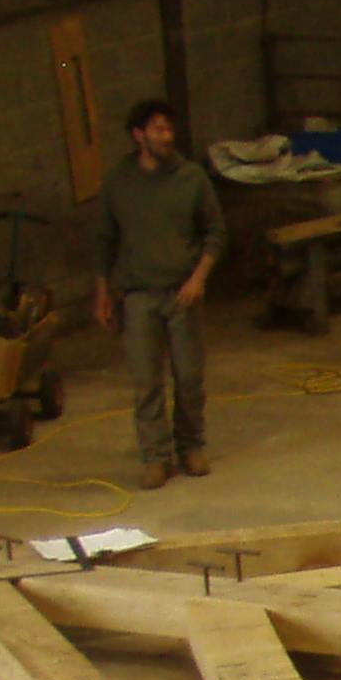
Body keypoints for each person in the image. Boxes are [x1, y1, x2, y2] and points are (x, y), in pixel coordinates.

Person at [92, 98, 224, 490]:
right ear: (139, 136)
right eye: (159, 130)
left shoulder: (192, 178)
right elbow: (104, 240)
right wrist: (102, 293)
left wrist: (199, 278)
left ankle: (191, 446)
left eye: (169, 129)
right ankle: (155, 457)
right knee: (146, 381)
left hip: (182, 293)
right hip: (138, 297)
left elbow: (216, 232)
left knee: (188, 376)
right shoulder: (119, 183)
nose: (168, 136)